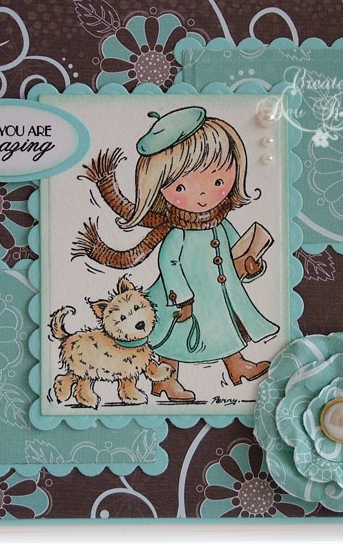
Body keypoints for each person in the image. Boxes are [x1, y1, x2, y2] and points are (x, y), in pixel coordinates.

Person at [73, 106, 279, 401]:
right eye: (181, 186)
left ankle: (237, 367)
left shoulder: (221, 224)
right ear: (159, 188)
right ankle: (165, 382)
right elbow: (168, 263)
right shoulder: (178, 234)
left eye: (218, 181)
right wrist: (182, 298)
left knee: (225, 326)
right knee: (173, 340)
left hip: (217, 296)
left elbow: (236, 253)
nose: (203, 195)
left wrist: (250, 265)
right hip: (183, 300)